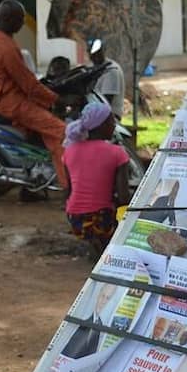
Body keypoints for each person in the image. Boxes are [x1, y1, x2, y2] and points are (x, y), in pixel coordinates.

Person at [0, 0, 68, 190]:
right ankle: (70, 187)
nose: (21, 24)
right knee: (61, 132)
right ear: (9, 19)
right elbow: (27, 83)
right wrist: (56, 99)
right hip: (10, 102)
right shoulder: (5, 47)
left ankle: (36, 183)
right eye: (19, 20)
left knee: (46, 132)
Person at [63, 102, 131, 257]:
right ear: (101, 125)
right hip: (101, 220)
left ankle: (94, 243)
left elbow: (68, 191)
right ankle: (104, 243)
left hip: (75, 220)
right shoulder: (117, 153)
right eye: (112, 121)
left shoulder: (70, 150)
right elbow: (123, 197)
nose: (114, 125)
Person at [60, 282, 118, 360]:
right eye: (102, 296)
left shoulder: (107, 328)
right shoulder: (81, 319)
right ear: (98, 295)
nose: (103, 301)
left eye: (108, 298)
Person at [87, 38, 124, 119]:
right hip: (96, 112)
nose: (96, 55)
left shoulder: (111, 70)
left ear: (104, 51)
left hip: (110, 116)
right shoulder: (92, 68)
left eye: (98, 52)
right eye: (93, 53)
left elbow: (106, 101)